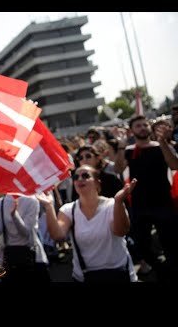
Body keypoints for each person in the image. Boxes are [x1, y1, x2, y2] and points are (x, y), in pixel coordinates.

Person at [37, 165, 138, 282]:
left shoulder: (112, 205)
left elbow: (121, 231)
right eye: (75, 177)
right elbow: (57, 235)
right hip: (84, 277)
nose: (80, 179)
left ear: (97, 183)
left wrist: (119, 202)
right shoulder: (68, 210)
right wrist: (49, 206)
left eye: (85, 176)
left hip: (118, 273)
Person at [114, 115, 178, 280]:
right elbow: (118, 168)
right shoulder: (128, 151)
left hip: (163, 202)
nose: (142, 128)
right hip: (139, 205)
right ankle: (161, 269)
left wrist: (163, 142)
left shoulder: (160, 146)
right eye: (138, 126)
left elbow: (174, 165)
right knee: (141, 244)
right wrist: (121, 147)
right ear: (132, 131)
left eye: (144, 125)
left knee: (170, 242)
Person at [0, 194, 50, 282]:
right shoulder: (1, 202)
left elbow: (26, 232)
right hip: (12, 256)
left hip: (29, 255)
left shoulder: (31, 200)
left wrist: (14, 215)